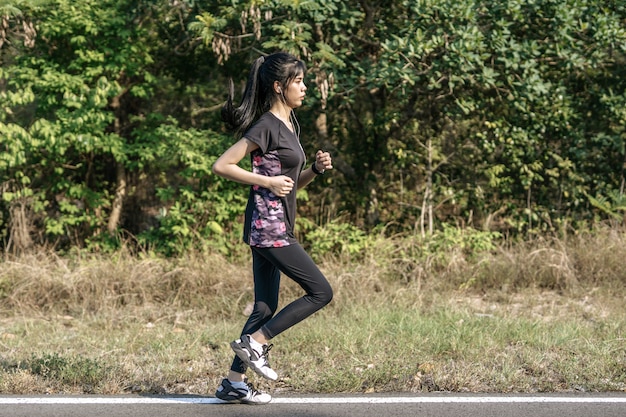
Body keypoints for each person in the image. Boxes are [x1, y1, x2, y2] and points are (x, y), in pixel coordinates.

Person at [211, 51, 334, 405]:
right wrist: (265, 183)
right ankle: (257, 342)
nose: (305, 87)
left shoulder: (291, 126)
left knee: (264, 307)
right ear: (279, 87)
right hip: (269, 228)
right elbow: (222, 165)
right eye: (298, 81)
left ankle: (233, 383)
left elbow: (289, 184)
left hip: (275, 225)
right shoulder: (266, 125)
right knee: (320, 292)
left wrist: (314, 171)